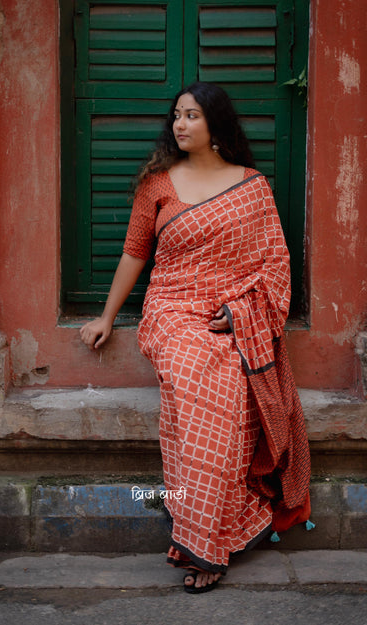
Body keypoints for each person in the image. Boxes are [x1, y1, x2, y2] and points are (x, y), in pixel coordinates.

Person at [80, 82, 311, 594]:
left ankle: (207, 537)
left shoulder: (252, 186)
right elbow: (135, 253)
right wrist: (105, 316)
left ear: (216, 125)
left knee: (230, 393)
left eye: (192, 116)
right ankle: (204, 536)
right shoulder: (158, 183)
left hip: (234, 315)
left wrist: (241, 313)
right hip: (172, 310)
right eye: (177, 116)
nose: (180, 125)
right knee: (190, 379)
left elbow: (276, 261)